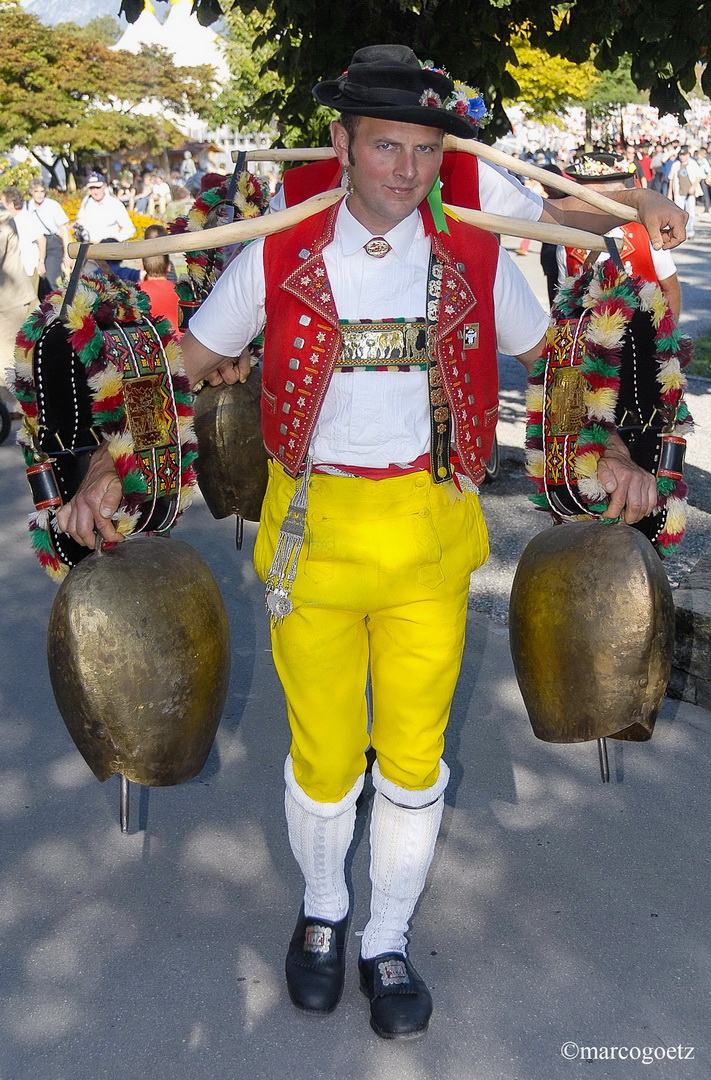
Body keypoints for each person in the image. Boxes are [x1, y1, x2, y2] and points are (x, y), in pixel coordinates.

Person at [57, 45, 660, 1041]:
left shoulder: (477, 255)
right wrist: (106, 464)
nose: (407, 170)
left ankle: (387, 935)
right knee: (326, 755)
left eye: (425, 149)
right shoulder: (276, 256)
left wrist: (621, 454)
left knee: (416, 763)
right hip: (314, 540)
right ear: (342, 144)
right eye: (387, 146)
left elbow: (563, 370)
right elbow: (183, 365)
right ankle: (324, 914)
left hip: (429, 539)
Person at [562, 153, 681, 318]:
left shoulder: (647, 232)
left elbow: (671, 290)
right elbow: (564, 302)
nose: (582, 203)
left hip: (645, 339)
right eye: (578, 195)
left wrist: (670, 338)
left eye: (593, 196)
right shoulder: (564, 239)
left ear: (619, 194)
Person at [0, 206, 39, 414]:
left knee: (8, 357)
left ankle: (19, 407)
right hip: (9, 298)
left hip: (9, 301)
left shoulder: (2, 220)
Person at [24, 178, 73, 296]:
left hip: (53, 243)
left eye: (42, 191)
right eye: (36, 191)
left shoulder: (52, 205)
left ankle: (55, 310)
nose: (39, 195)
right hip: (34, 245)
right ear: (31, 192)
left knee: (51, 280)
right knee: (38, 282)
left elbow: (64, 230)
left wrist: (68, 254)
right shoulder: (26, 206)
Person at [1, 186, 47, 292]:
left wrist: (41, 262)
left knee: (29, 303)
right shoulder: (10, 219)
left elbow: (42, 240)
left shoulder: (27, 218)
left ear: (11, 204)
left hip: (28, 268)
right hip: (14, 269)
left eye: (2, 202)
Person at [75, 173, 136, 243]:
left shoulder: (114, 204)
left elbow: (129, 228)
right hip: (87, 245)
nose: (95, 191)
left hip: (107, 248)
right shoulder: (86, 202)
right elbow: (79, 221)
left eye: (98, 188)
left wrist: (115, 240)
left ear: (104, 186)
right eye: (92, 188)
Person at [139, 253, 180, 331]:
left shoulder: (135, 293)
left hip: (150, 339)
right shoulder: (181, 292)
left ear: (142, 266)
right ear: (169, 266)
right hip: (180, 340)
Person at [668, 147, 703, 239]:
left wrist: (693, 187)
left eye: (684, 155)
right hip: (679, 192)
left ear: (688, 155)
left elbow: (699, 177)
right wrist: (669, 192)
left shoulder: (693, 164)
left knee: (690, 212)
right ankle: (679, 231)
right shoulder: (676, 165)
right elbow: (671, 179)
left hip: (690, 192)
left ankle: (690, 231)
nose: (682, 157)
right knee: (678, 213)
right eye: (680, 155)